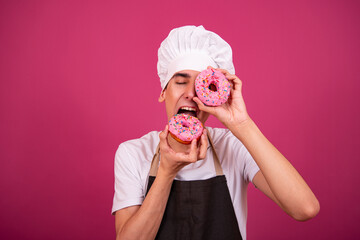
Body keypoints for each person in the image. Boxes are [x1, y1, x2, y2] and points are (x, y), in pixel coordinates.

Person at [111, 25, 320, 240]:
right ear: (163, 92)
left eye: (203, 86)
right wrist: (166, 173)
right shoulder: (133, 153)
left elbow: (305, 208)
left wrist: (242, 124)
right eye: (181, 82)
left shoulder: (233, 146)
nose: (191, 94)